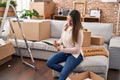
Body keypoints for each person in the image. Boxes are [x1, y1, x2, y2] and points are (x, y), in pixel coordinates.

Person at [46, 10, 84, 80]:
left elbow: (77, 50)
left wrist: (62, 49)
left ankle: (65, 72)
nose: (68, 22)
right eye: (68, 19)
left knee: (62, 76)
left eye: (71, 20)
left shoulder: (79, 31)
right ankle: (67, 72)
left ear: (76, 21)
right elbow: (62, 39)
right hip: (65, 52)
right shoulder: (65, 26)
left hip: (75, 55)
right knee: (49, 63)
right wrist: (58, 43)